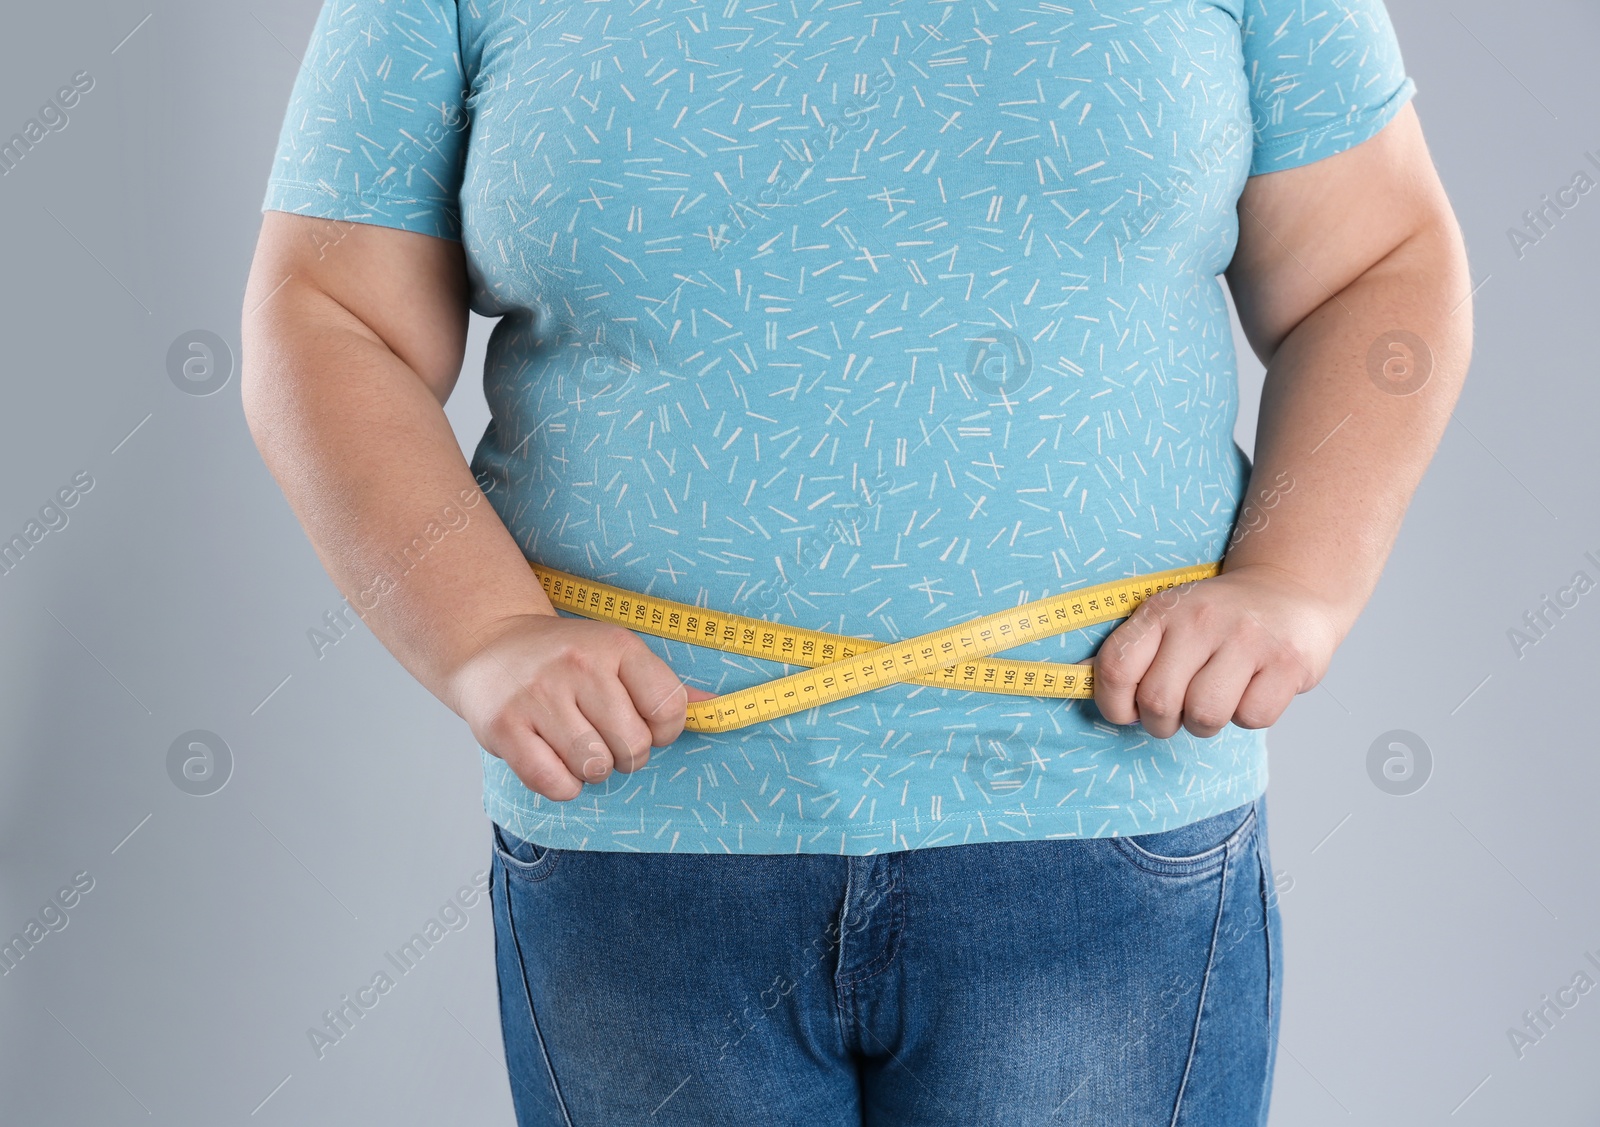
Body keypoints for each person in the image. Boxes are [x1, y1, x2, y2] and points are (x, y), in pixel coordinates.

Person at [241, 0, 1469, 1121]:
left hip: (1105, 834)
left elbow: (1375, 265)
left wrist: (1296, 579)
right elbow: (326, 315)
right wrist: (482, 633)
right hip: (643, 841)